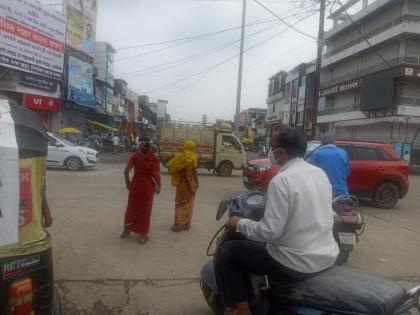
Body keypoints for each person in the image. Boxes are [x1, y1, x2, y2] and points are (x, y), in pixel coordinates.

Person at [218, 127, 339, 315]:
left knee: (229, 251)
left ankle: (242, 309)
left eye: (271, 146)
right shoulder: (319, 174)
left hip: (295, 264)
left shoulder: (282, 180)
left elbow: (269, 232)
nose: (269, 150)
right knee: (271, 246)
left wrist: (239, 223)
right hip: (327, 256)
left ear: (280, 152)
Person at [121, 141, 161, 244]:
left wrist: (128, 184)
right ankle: (143, 235)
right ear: (150, 148)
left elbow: (126, 171)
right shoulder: (153, 158)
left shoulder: (135, 156)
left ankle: (126, 230)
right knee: (145, 211)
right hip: (148, 187)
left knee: (131, 208)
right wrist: (159, 186)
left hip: (135, 185)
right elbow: (156, 174)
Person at [167, 140, 199, 232]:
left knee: (179, 204)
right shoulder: (192, 157)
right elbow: (191, 173)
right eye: (193, 147)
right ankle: (185, 224)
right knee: (188, 204)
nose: (194, 148)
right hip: (188, 183)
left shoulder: (180, 156)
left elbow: (172, 166)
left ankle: (177, 224)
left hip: (180, 184)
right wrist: (195, 184)